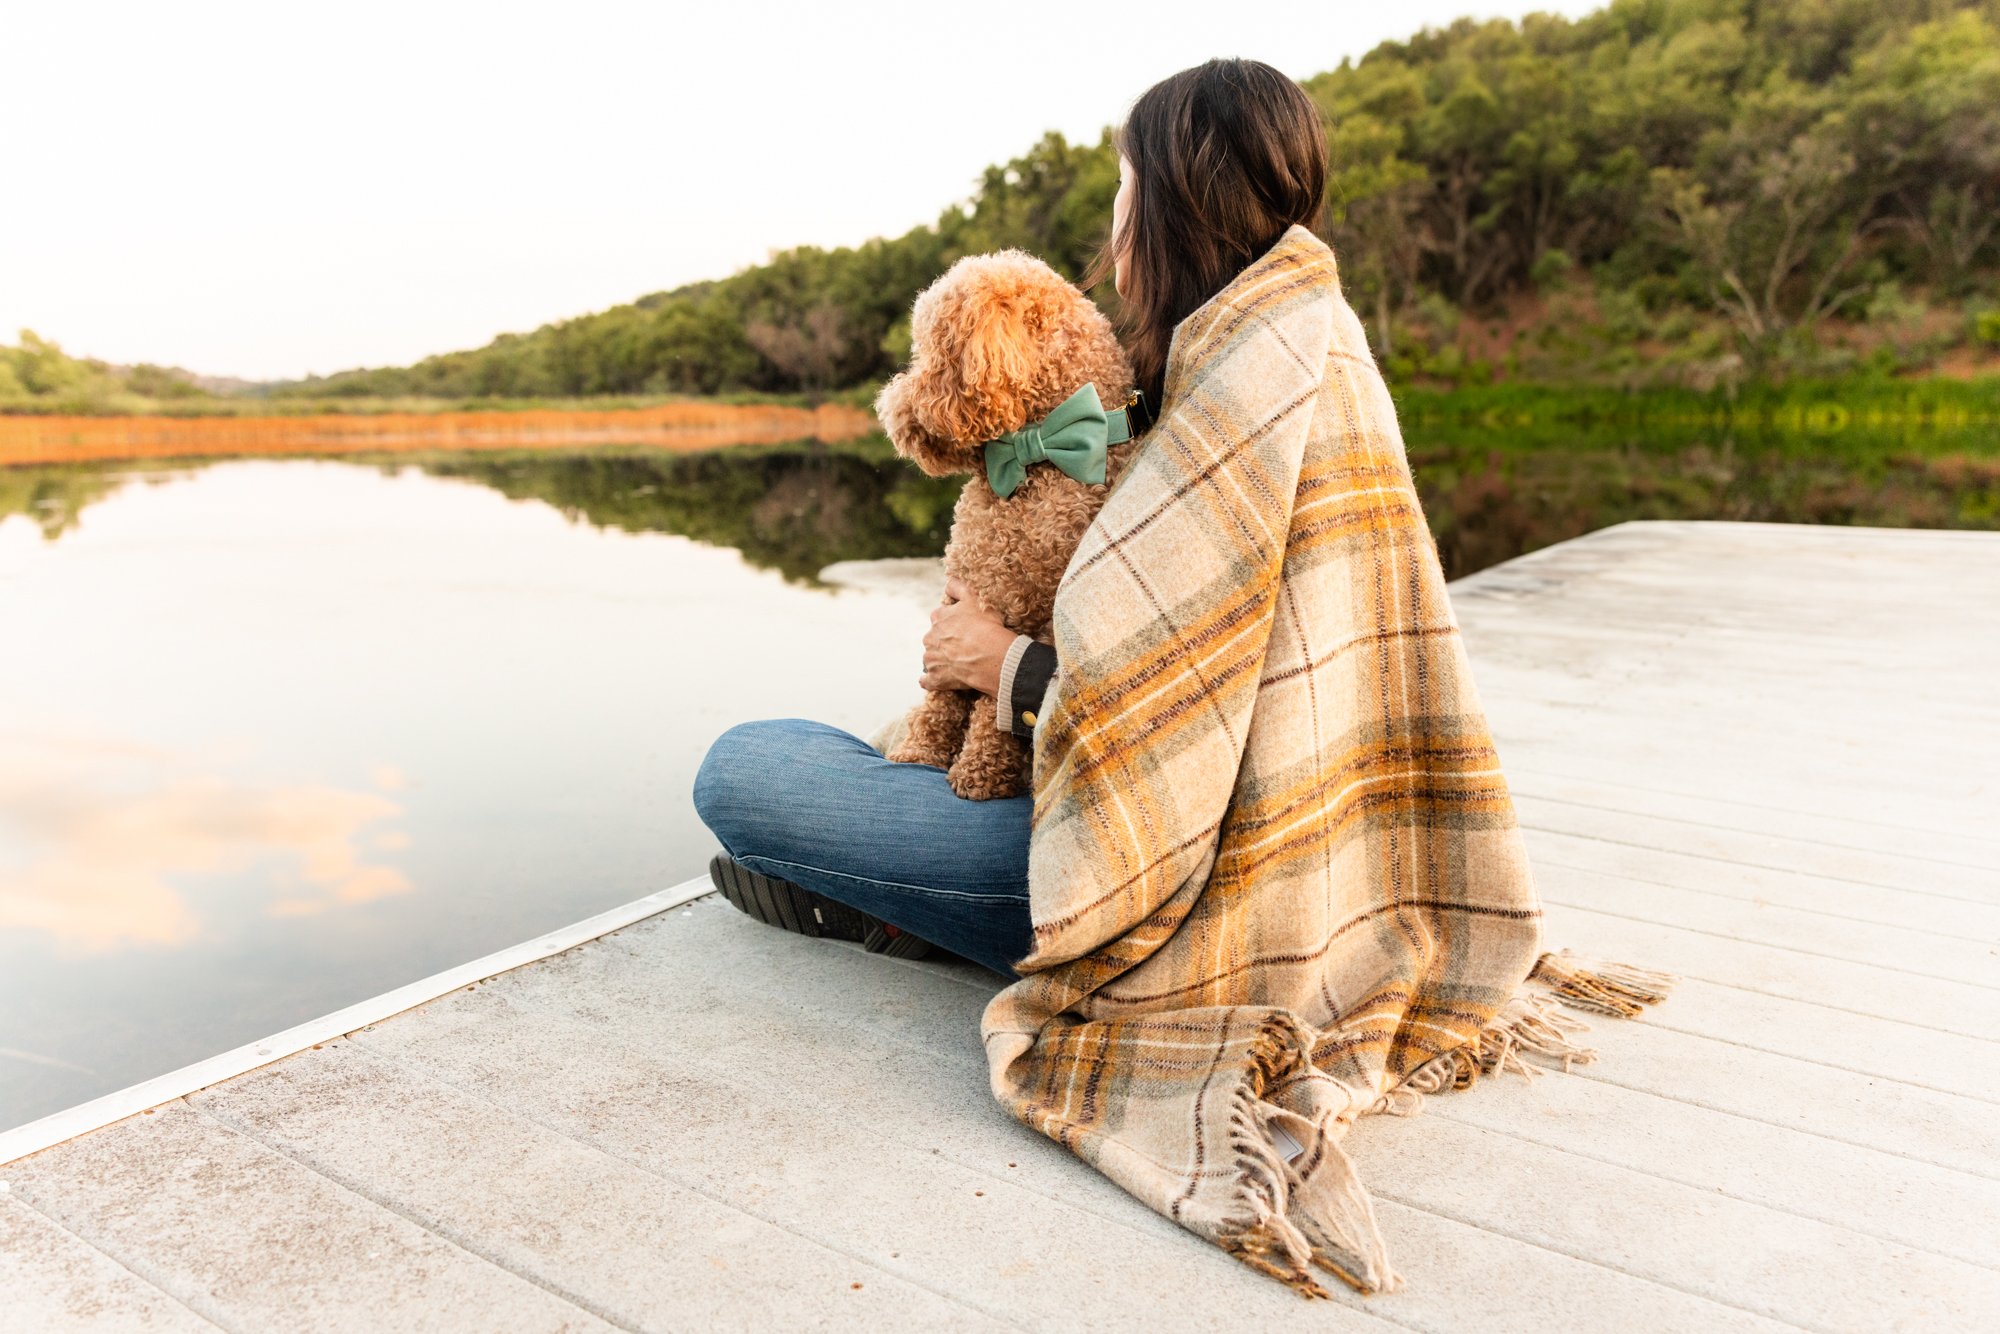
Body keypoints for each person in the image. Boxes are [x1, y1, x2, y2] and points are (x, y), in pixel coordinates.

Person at [691, 57, 1330, 978]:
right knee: (860, 746)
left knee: (745, 767)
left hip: (1160, 881)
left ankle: (893, 900)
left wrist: (999, 664)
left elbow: (1190, 718)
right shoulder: (1226, 359)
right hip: (1131, 825)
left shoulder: (1246, 398)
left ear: (1177, 206)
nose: (1115, 220)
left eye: (1125, 185)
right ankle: (893, 890)